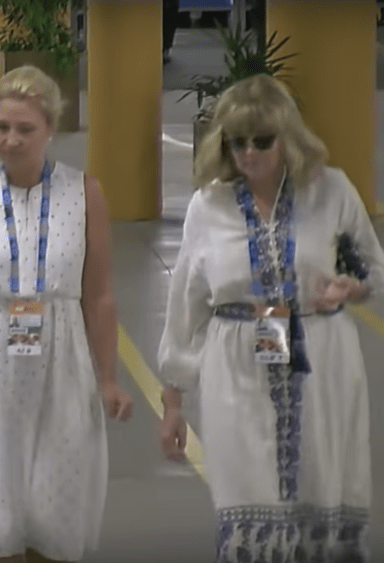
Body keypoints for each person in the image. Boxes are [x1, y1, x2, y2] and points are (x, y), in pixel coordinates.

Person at [157, 73, 383, 562]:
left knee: (320, 495)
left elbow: (373, 266)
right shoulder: (208, 204)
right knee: (246, 507)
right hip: (234, 367)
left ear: (289, 139)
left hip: (322, 362)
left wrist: (354, 285)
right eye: (237, 142)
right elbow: (185, 305)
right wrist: (173, 402)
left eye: (262, 141)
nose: (249, 154)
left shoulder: (331, 192)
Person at [0, 65, 134, 563]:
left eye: (25, 130)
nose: (10, 140)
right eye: (2, 127)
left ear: (51, 129)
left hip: (63, 359)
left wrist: (108, 378)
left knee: (53, 514)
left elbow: (98, 295)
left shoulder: (85, 194)